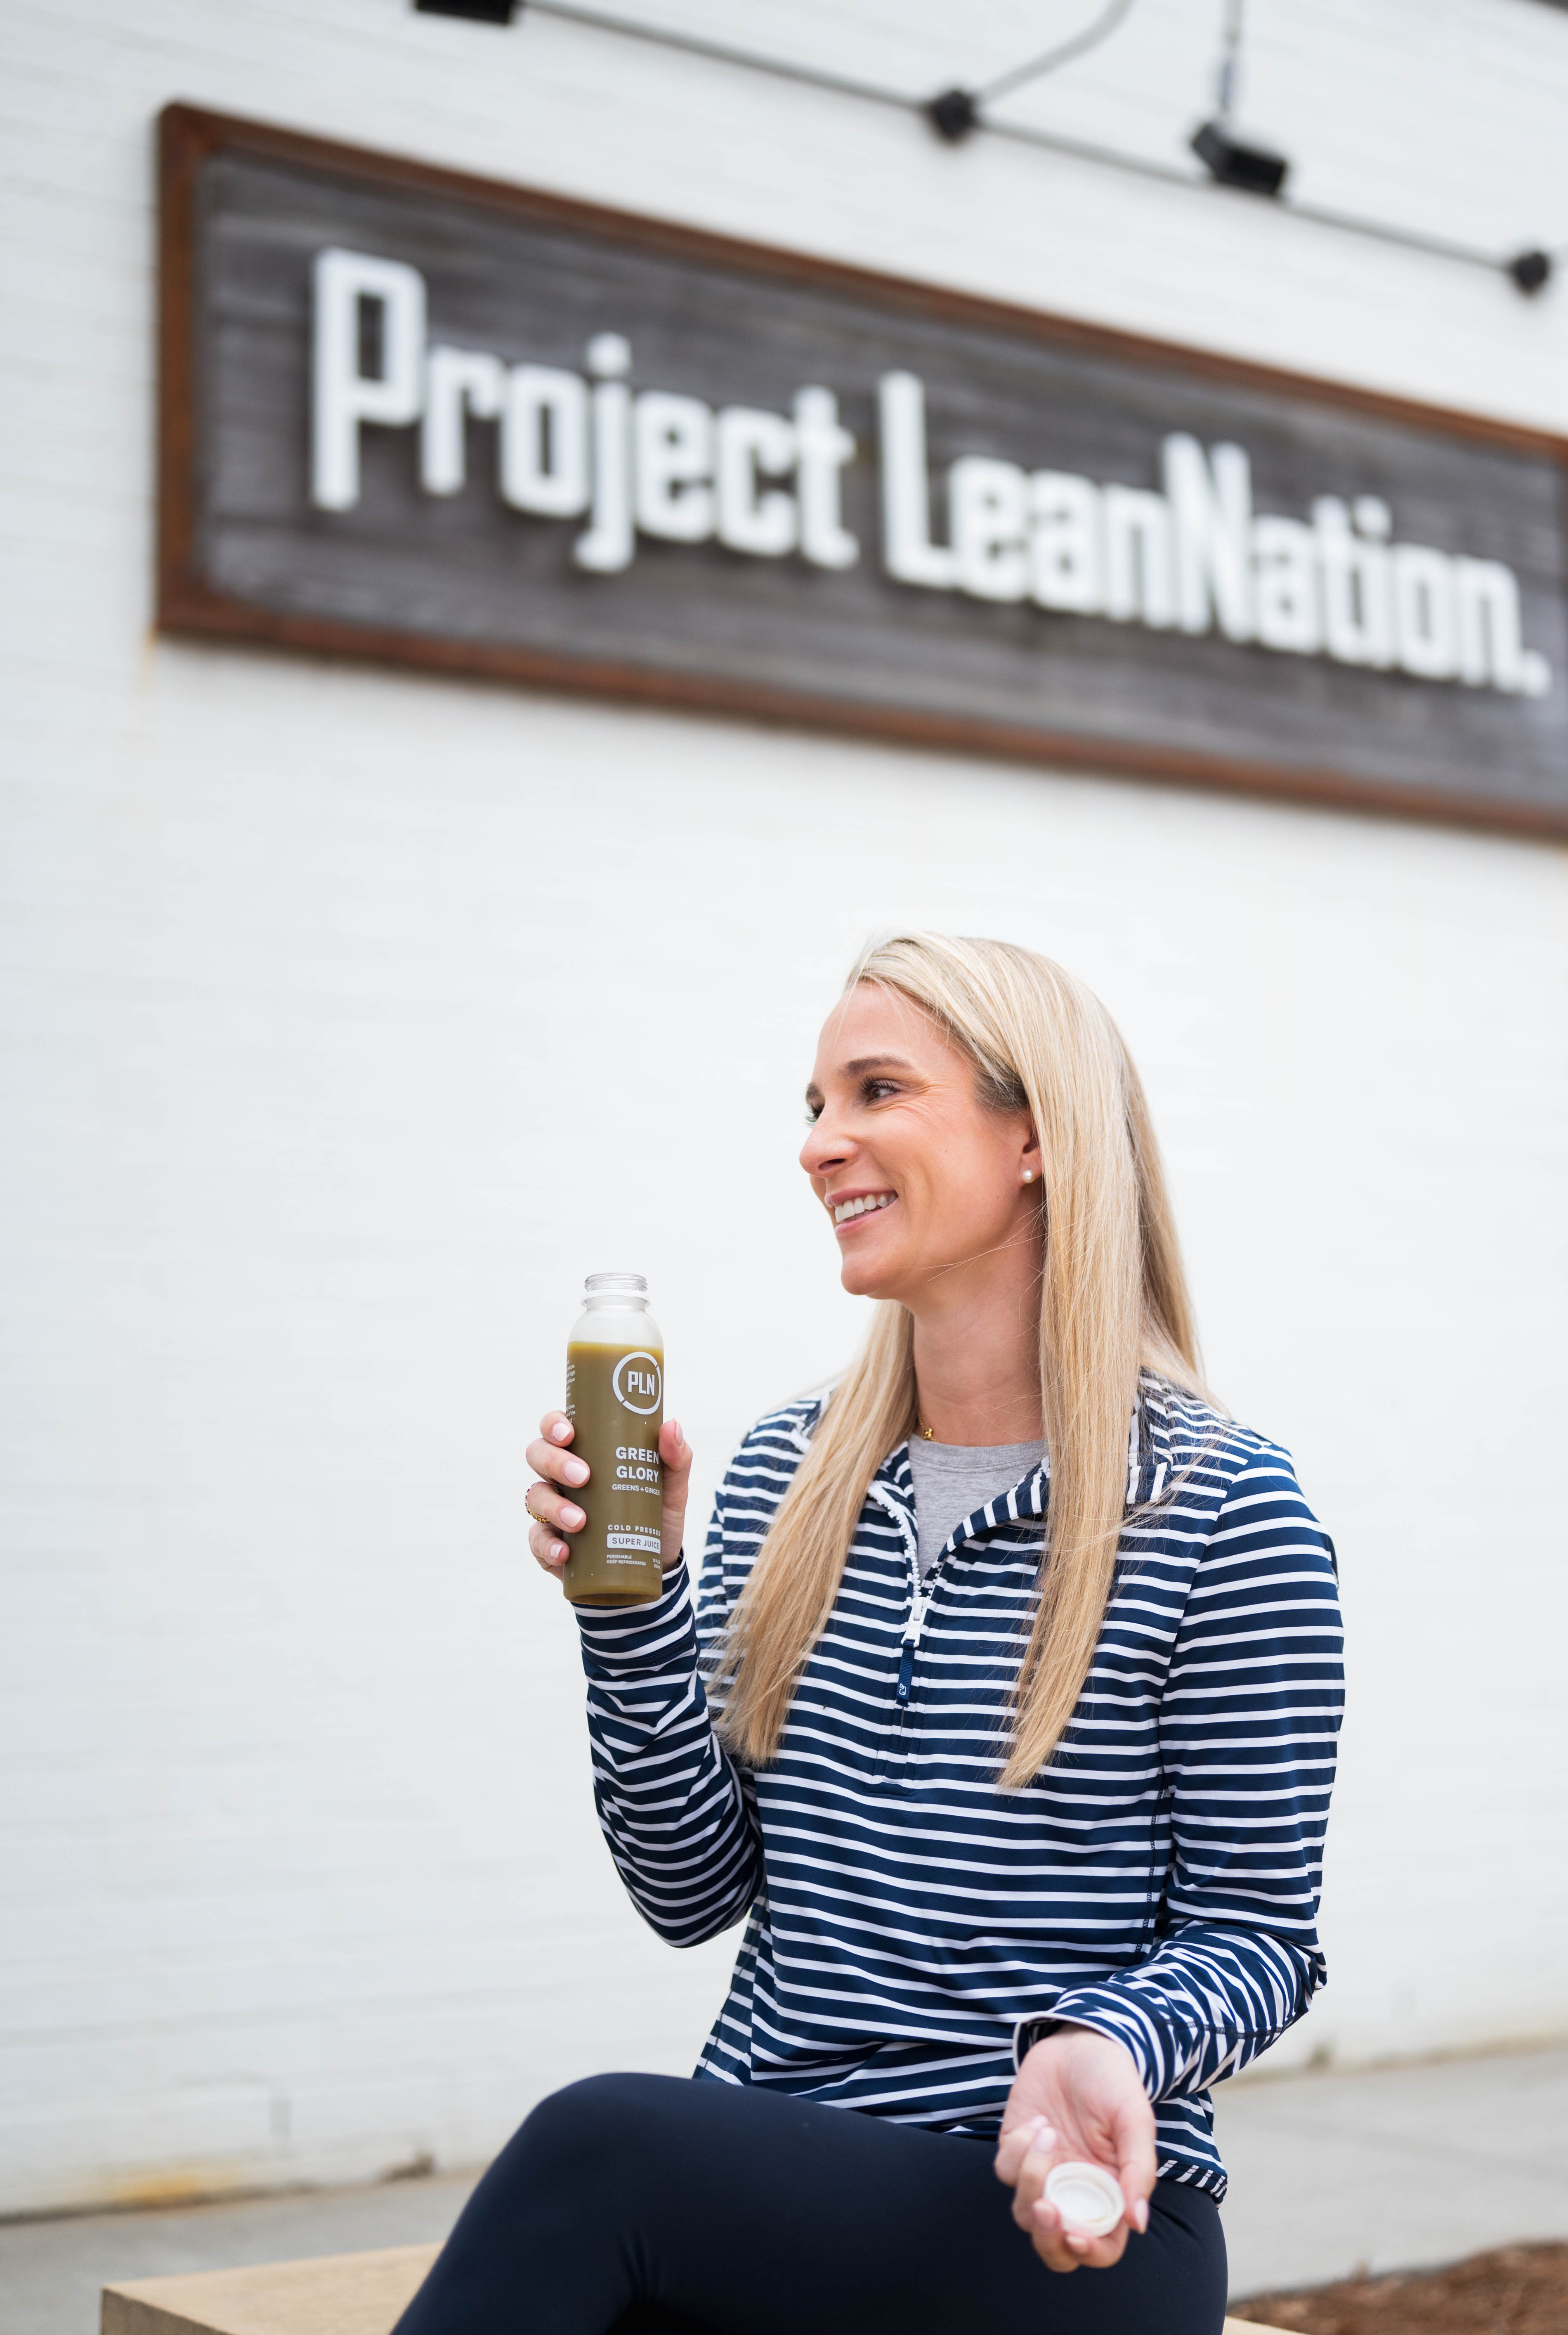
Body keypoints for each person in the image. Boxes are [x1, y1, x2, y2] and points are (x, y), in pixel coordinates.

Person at [397, 933, 1344, 2335]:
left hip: (1062, 2225)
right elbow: (690, 1891)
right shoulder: (792, 1475)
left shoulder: (1218, 1508)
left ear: (1034, 1137)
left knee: (598, 2151)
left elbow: (1261, 1937)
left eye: (876, 1091)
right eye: (812, 1106)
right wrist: (630, 1615)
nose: (819, 1145)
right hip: (774, 2196)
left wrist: (1103, 2040)